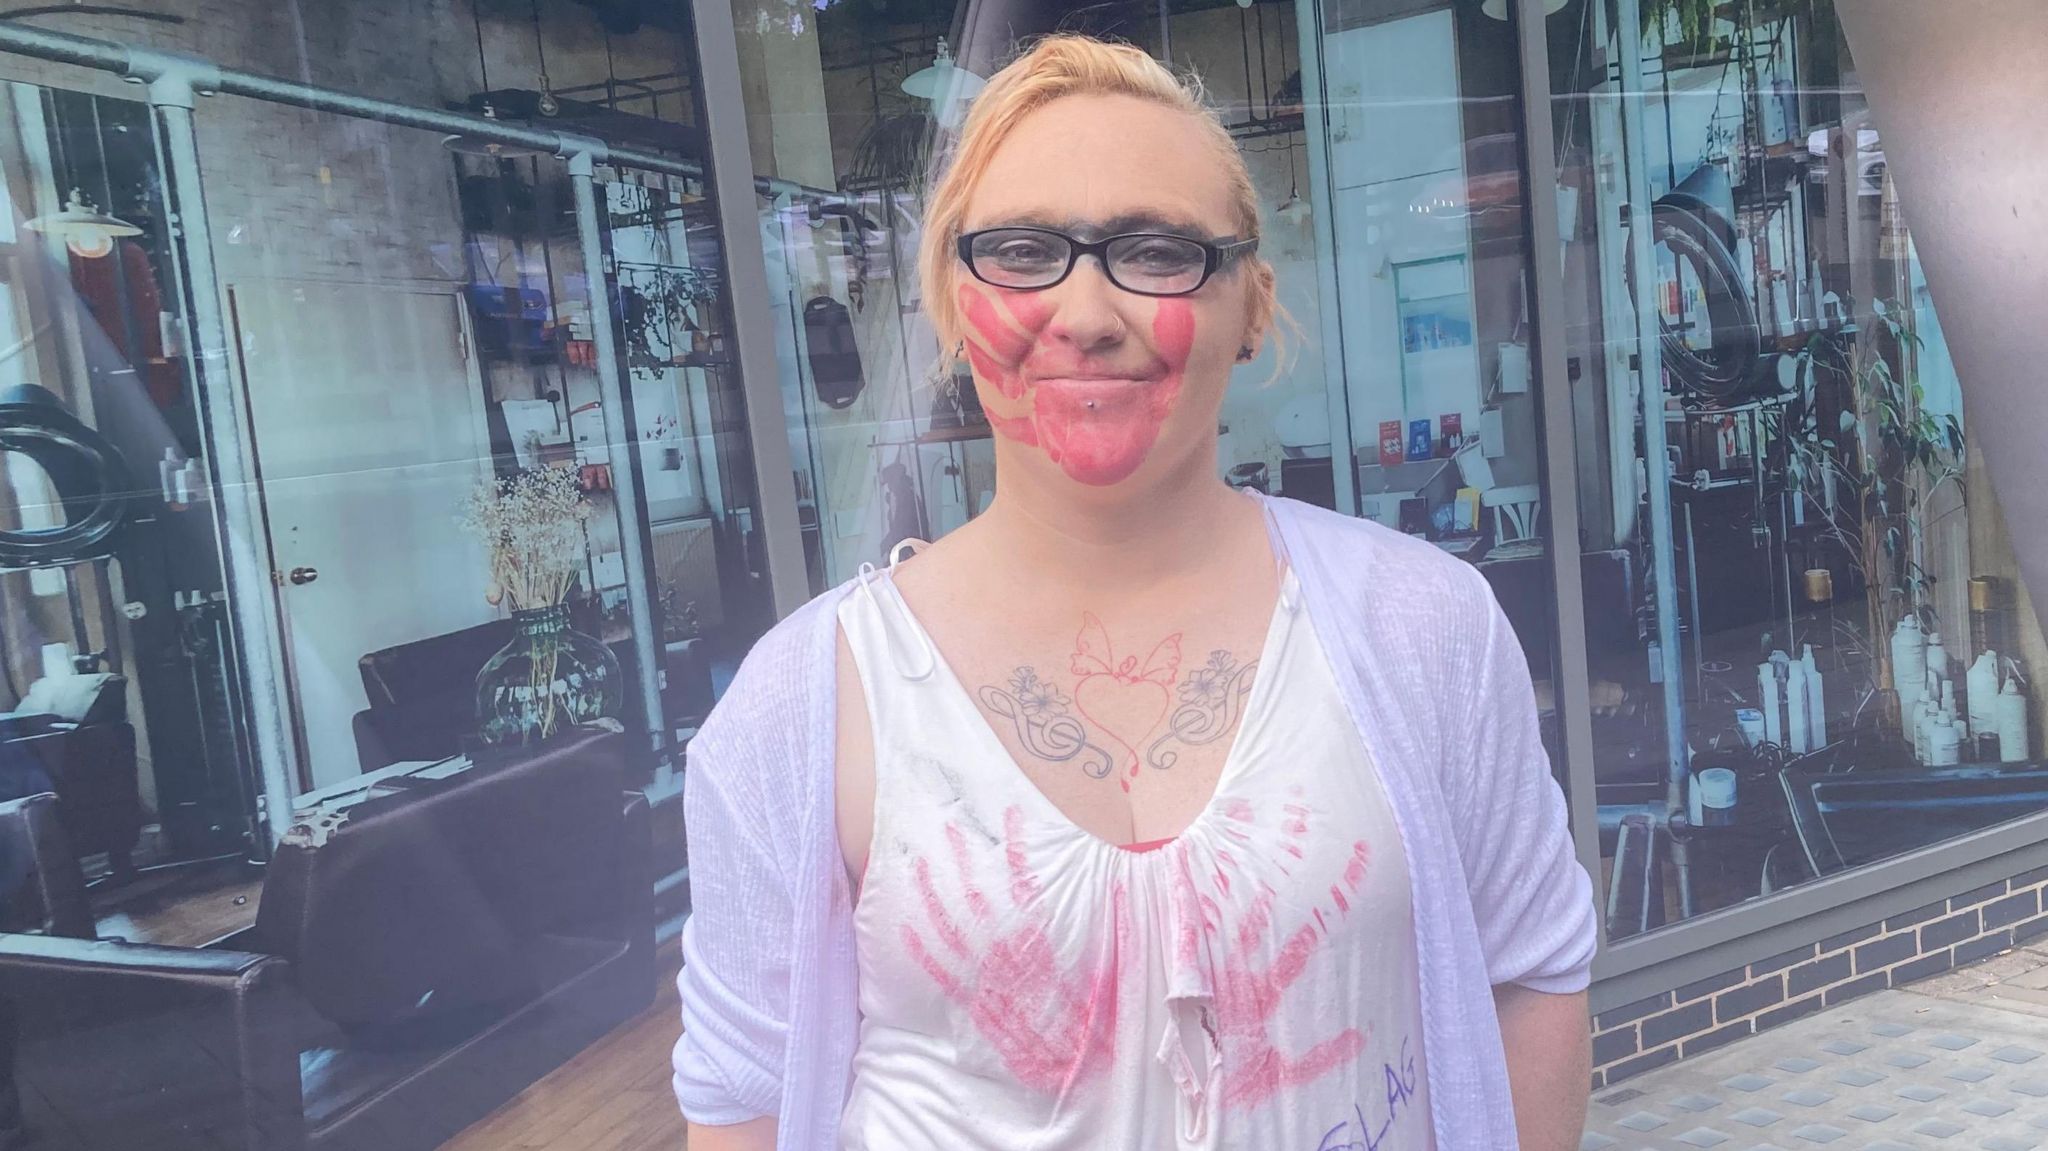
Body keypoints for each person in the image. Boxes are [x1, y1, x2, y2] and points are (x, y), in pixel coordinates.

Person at [673, 33, 1595, 1150]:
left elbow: (1530, 971)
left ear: (1251, 304)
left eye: (1155, 251)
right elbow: (743, 1100)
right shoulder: (804, 704)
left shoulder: (1423, 625)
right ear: (955, 305)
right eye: (1020, 250)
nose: (1085, 311)